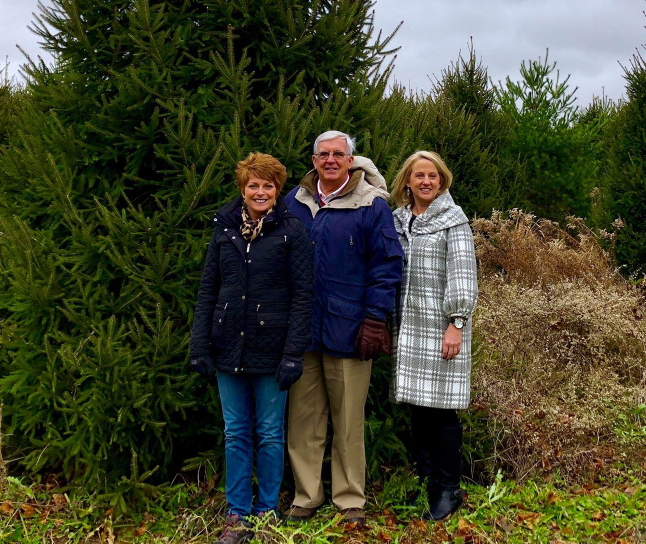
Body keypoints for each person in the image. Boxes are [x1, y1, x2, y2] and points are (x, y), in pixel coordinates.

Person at [189, 153, 314, 544]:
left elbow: (302, 296)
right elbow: (208, 289)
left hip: (272, 349)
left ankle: (266, 512)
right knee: (237, 432)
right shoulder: (224, 231)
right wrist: (200, 345)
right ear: (242, 189)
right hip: (227, 347)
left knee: (270, 432)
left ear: (278, 191)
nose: (260, 192)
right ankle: (237, 513)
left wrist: (293, 353)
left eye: (268, 186)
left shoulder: (291, 232)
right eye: (253, 185)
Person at [283, 131, 404, 528]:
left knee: (348, 420)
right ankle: (306, 495)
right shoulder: (295, 203)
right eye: (324, 154)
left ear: (351, 161)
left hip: (351, 330)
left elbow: (387, 266)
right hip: (302, 331)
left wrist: (375, 319)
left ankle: (350, 498)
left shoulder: (371, 205)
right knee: (303, 419)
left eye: (339, 154)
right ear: (314, 160)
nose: (331, 160)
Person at [389, 151, 478, 521]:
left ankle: (448, 488)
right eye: (419, 175)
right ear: (407, 181)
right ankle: (426, 482)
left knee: (442, 413)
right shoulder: (398, 221)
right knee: (418, 410)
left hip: (442, 328)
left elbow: (463, 273)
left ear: (442, 181)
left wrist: (456, 324)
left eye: (433, 176)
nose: (426, 181)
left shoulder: (453, 221)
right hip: (407, 330)